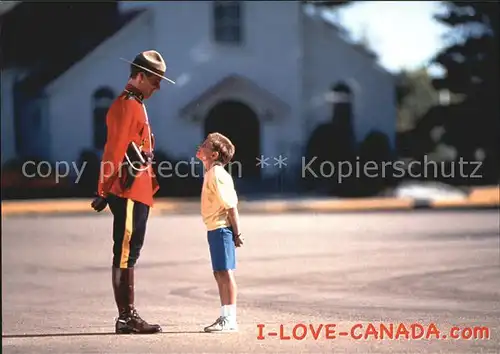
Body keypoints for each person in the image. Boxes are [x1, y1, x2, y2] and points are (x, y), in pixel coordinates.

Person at [90, 50, 175, 334]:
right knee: (125, 251)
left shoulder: (137, 103)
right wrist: (103, 188)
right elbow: (114, 149)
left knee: (132, 251)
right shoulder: (126, 104)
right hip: (126, 189)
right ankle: (126, 317)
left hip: (138, 189)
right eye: (154, 80)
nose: (157, 86)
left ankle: (128, 316)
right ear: (139, 76)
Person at [195, 132, 244, 333]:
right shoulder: (210, 172)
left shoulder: (217, 174)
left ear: (214, 155)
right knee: (219, 273)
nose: (201, 146)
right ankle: (225, 314)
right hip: (214, 228)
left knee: (225, 273)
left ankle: (230, 318)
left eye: (205, 145)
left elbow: (231, 205)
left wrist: (237, 233)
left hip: (222, 228)